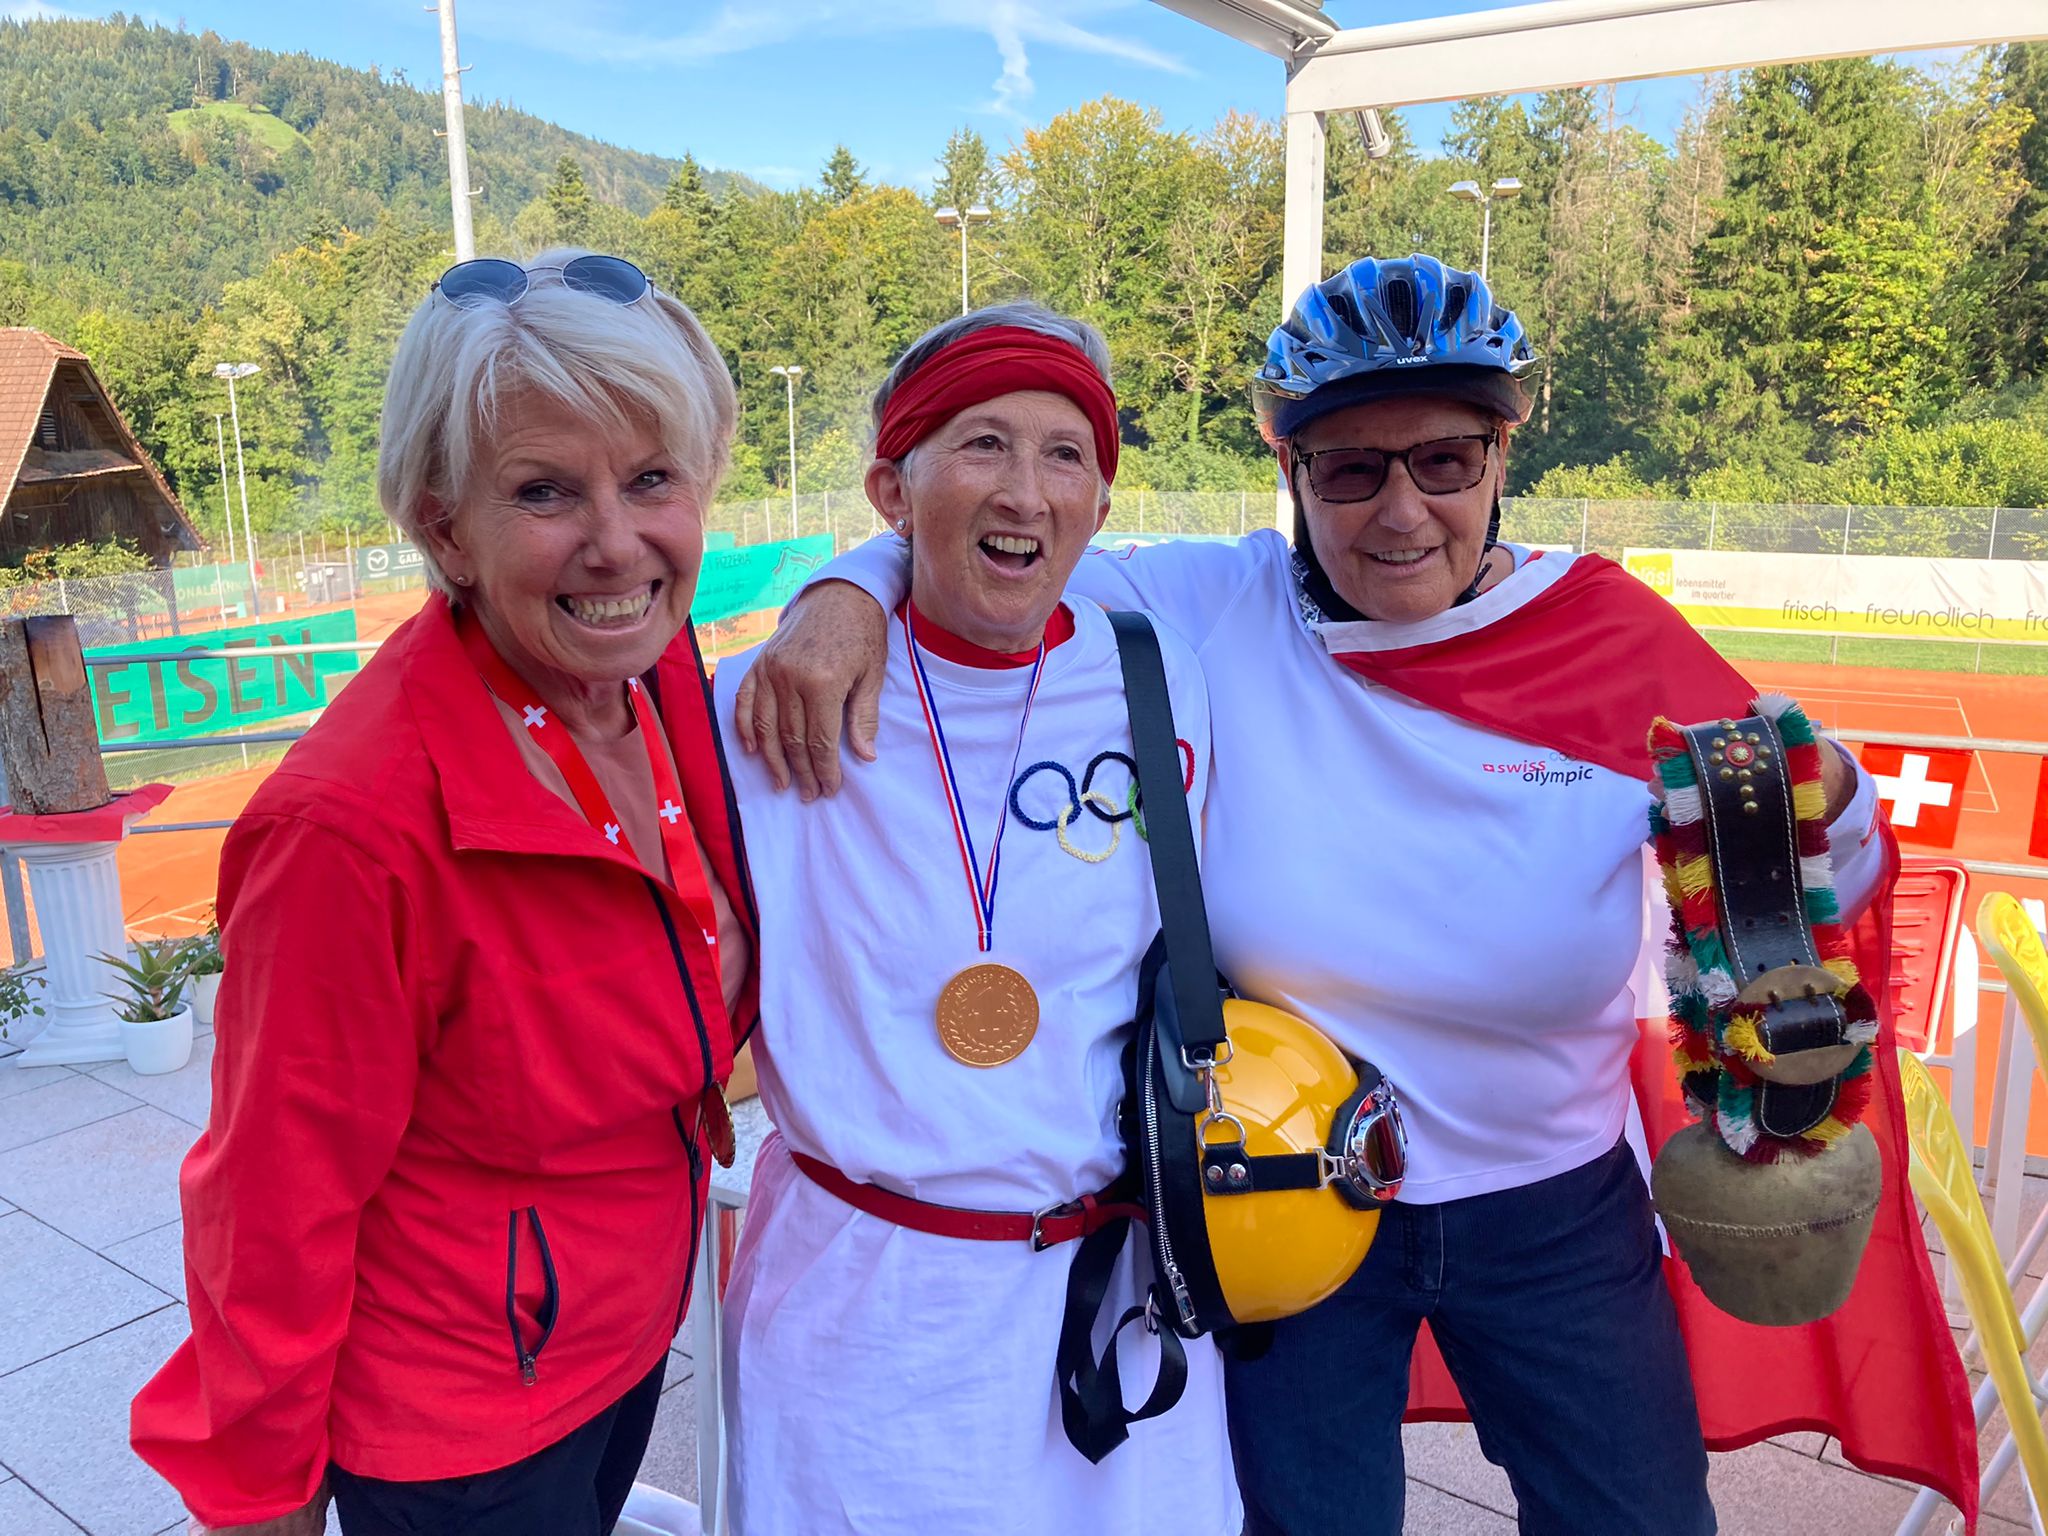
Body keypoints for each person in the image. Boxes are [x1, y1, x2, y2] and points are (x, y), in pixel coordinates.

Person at [732, 255, 1977, 1533]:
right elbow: (996, 541)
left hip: (1551, 1213)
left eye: (1442, 461)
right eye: (1349, 470)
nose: (1400, 511)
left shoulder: (1609, 638)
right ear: (1291, 473)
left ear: (1498, 461)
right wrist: (840, 595)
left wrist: (1817, 806)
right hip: (1283, 1202)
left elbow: (1810, 888)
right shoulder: (1210, 604)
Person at [131, 250, 757, 1536]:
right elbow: (270, 1206)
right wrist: (260, 1495)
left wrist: (852, 601)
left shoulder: (647, 672)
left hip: (621, 1328)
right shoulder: (347, 832)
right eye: (543, 491)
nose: (616, 543)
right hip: (462, 1424)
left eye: (651, 479)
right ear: (442, 528)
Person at [714, 302, 1240, 1534]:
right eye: (982, 444)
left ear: (1100, 506)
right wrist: (845, 587)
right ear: (889, 493)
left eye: (1064, 455)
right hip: (860, 1314)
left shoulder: (1168, 677)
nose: (1026, 490)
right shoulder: (761, 705)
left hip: (1115, 1310)